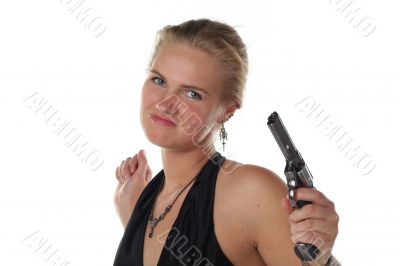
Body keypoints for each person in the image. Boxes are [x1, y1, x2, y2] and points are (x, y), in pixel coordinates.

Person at [113, 18, 340, 266]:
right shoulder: (144, 201)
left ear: (227, 111)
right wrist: (134, 216)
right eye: (159, 80)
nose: (165, 104)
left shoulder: (250, 192)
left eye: (192, 93)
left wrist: (322, 260)